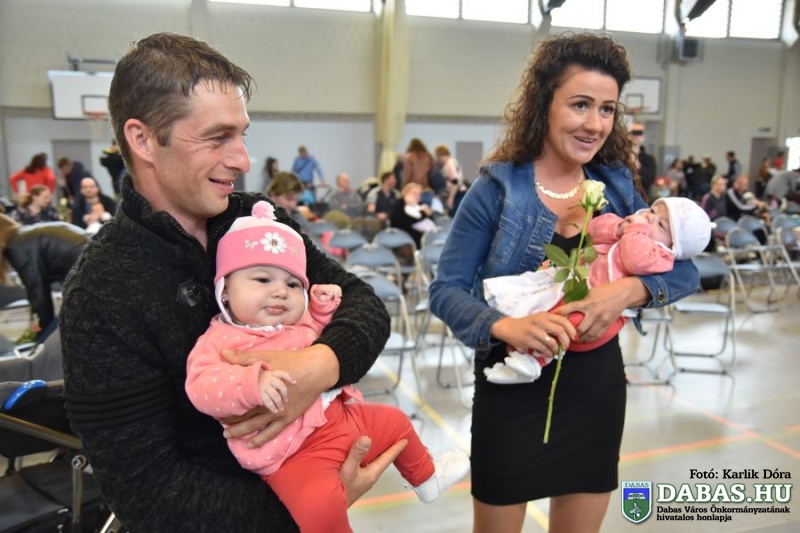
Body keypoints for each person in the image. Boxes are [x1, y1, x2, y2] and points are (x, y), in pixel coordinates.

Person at [60, 32, 406, 532]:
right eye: (217, 137)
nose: (243, 159)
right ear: (142, 139)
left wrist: (319, 367)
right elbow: (146, 492)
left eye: (242, 135)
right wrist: (306, 509)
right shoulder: (102, 291)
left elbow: (362, 303)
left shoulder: (257, 219)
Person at [428, 33, 699, 533]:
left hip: (594, 390)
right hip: (512, 387)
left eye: (607, 109)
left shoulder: (617, 186)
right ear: (544, 103)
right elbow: (445, 291)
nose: (594, 123)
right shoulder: (495, 189)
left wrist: (627, 291)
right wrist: (506, 326)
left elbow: (684, 269)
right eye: (580, 104)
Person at [186, 201, 470, 533]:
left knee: (397, 422)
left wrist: (322, 310)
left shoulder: (296, 320)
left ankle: (427, 479)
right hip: (295, 454)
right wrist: (251, 385)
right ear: (225, 291)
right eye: (262, 279)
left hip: (343, 419)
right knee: (321, 506)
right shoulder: (222, 339)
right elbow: (201, 385)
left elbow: (322, 332)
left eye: (293, 285)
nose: (280, 292)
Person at [482, 197, 711, 384]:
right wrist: (619, 227)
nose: (649, 217)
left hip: (599, 320)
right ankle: (516, 348)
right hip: (578, 287)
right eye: (652, 210)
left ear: (673, 246)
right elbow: (594, 230)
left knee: (566, 323)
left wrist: (636, 230)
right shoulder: (631, 232)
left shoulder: (659, 255)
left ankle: (534, 361)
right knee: (539, 303)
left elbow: (634, 260)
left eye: (661, 225)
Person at [0, 213, 87, 341]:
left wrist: (41, 337)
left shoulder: (17, 245)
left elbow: (38, 293)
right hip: (94, 259)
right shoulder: (23, 236)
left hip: (88, 267)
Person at [389, 182, 436, 248]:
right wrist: (423, 214)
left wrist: (428, 214)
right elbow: (404, 220)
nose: (417, 196)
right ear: (406, 193)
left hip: (423, 238)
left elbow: (430, 220)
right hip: (404, 237)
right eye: (414, 193)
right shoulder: (399, 205)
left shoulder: (421, 206)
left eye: (419, 194)